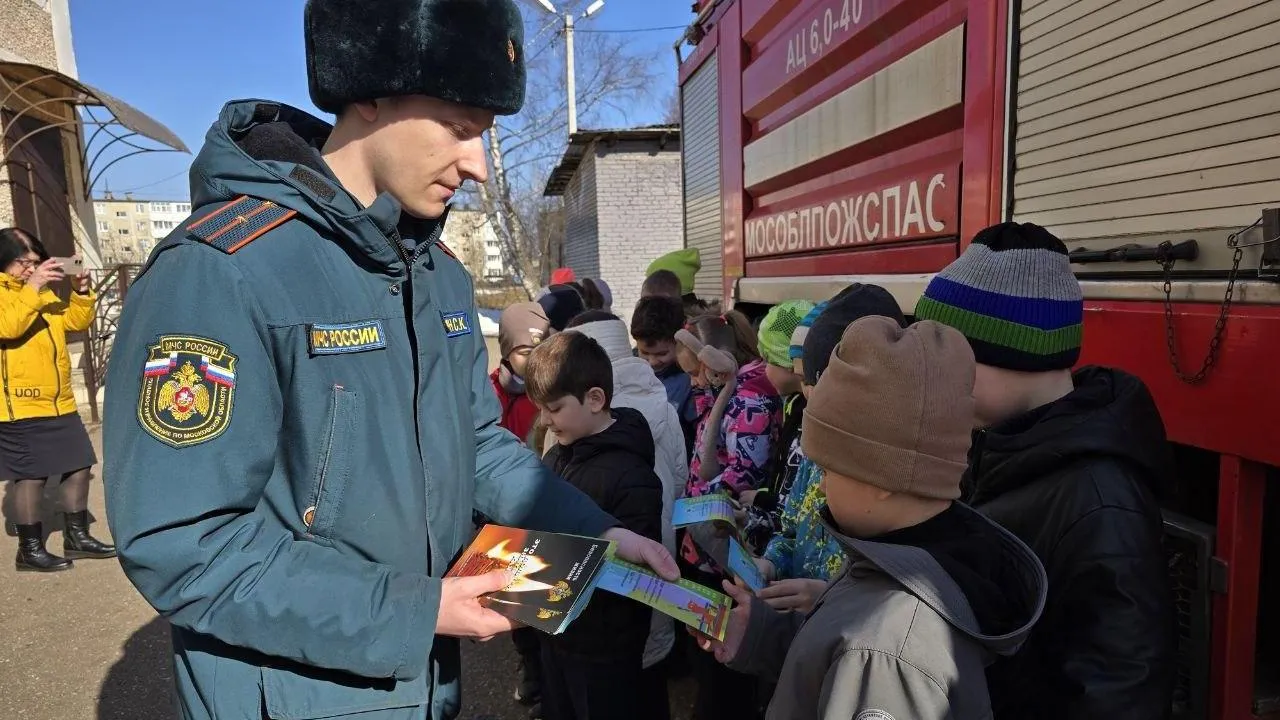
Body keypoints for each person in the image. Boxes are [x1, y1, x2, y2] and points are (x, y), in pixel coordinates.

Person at [101, 3, 676, 719]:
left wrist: (592, 527)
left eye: (487, 136)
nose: (479, 166)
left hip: (420, 684)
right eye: (460, 129)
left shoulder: (439, 274)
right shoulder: (221, 271)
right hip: (291, 696)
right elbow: (185, 543)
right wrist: (414, 609)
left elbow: (475, 442)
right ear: (368, 95)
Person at [705, 316, 1049, 720]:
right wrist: (764, 636)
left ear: (884, 476)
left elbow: (864, 656)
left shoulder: (886, 650)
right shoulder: (908, 555)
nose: (820, 488)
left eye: (828, 471)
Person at [913, 221, 1177, 719]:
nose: (936, 377)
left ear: (1015, 352)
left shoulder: (1102, 504)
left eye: (948, 356)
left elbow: (1120, 692)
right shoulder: (998, 446)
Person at [524, 331, 666, 720]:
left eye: (553, 408)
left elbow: (635, 574)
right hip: (556, 630)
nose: (545, 421)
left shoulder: (630, 473)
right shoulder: (558, 456)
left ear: (595, 399)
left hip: (604, 647)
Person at [758, 285, 909, 612]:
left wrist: (828, 597)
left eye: (816, 383)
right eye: (802, 382)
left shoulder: (895, 467)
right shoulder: (815, 447)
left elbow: (903, 593)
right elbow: (790, 532)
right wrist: (769, 564)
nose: (807, 397)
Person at [566, 310, 688, 700]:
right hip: (659, 551)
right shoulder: (662, 402)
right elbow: (682, 477)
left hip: (597, 591)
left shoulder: (573, 413)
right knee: (649, 680)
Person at [674, 309, 780, 720]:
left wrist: (698, 503)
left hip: (723, 543)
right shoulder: (725, 392)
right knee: (706, 648)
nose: (694, 384)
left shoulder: (750, 398)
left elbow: (743, 473)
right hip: (703, 540)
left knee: (724, 663)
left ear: (717, 364)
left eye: (697, 374)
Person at [0, 228, 114, 572]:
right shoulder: (13, 294)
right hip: (18, 403)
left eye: (37, 262)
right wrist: (33, 287)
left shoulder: (39, 292)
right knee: (30, 476)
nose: (32, 269)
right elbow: (9, 326)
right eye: (25, 263)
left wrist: (81, 292)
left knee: (79, 466)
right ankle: (29, 549)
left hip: (59, 400)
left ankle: (77, 538)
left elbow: (75, 321)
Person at [738, 300, 812, 551]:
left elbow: (797, 488)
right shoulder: (792, 402)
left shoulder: (808, 415)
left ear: (792, 365)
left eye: (768, 360)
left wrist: (765, 500)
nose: (764, 369)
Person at [630, 295, 697, 456]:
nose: (652, 362)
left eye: (662, 353)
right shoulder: (630, 369)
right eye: (645, 352)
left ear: (680, 341)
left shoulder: (691, 379)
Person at [491, 302, 548, 447]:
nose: (534, 360)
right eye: (525, 353)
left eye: (540, 352)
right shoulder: (489, 391)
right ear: (507, 352)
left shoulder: (551, 393)